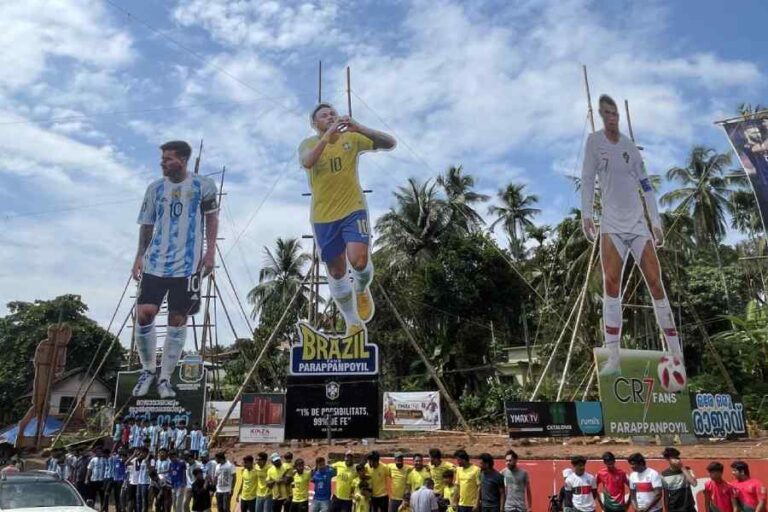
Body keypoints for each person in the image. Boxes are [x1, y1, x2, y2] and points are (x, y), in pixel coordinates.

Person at [581, 94, 684, 376]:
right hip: (611, 224)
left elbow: (647, 187)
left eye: (614, 113)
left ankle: (676, 354)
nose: (611, 117)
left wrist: (656, 222)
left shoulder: (630, 147)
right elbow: (587, 178)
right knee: (610, 284)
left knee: (656, 283)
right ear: (602, 116)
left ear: (618, 116)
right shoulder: (594, 142)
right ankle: (613, 357)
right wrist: (586, 214)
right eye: (606, 113)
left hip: (638, 225)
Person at [298, 104, 396, 335]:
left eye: (332, 113)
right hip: (324, 217)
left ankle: (361, 289)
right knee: (336, 271)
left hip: (353, 209)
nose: (330, 116)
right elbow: (307, 162)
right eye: (324, 115)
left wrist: (360, 128)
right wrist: (327, 137)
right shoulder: (308, 144)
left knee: (359, 260)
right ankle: (352, 322)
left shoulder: (352, 138)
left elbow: (389, 143)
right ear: (314, 124)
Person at [131, 140, 219, 398]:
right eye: (162, 159)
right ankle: (148, 370)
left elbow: (212, 219)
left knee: (178, 319)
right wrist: (139, 256)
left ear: (182, 160)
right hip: (156, 263)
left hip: (188, 265)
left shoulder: (203, 185)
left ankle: (165, 378)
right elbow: (147, 224)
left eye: (168, 159)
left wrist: (210, 252)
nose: (163, 163)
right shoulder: (155, 189)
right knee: (145, 313)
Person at [660, 448, 696, 512]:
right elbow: (666, 495)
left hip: (689, 507)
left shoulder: (687, 470)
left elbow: (694, 483)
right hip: (674, 508)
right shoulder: (664, 474)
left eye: (677, 457)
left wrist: (682, 467)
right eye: (674, 458)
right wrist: (666, 509)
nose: (677, 460)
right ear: (668, 459)